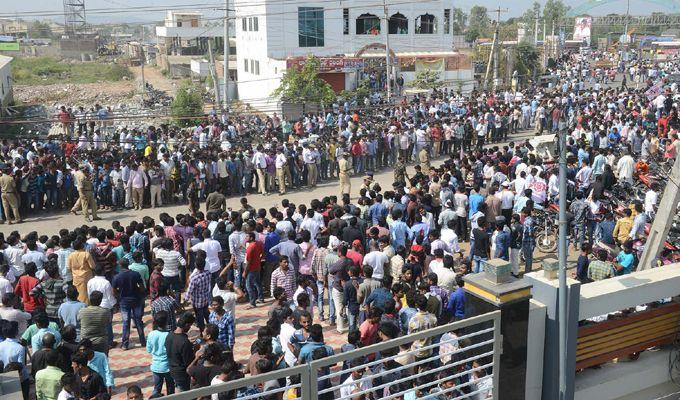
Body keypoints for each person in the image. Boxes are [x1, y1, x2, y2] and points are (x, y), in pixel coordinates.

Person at [112, 258, 146, 350]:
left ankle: (125, 344)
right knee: (138, 321)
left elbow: (114, 292)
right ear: (128, 264)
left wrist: (119, 297)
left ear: (120, 265)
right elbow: (142, 288)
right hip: (136, 300)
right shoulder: (135, 274)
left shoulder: (117, 277)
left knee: (126, 323)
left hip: (124, 302)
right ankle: (143, 341)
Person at [147, 310, 175, 398]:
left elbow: (149, 350)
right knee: (170, 389)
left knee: (156, 389)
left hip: (156, 367)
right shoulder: (169, 335)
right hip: (168, 367)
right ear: (166, 322)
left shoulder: (151, 334)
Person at [165, 312, 196, 392]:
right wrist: (196, 352)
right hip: (182, 374)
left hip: (171, 370)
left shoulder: (169, 335)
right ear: (186, 325)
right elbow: (188, 362)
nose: (189, 328)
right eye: (189, 326)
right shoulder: (184, 342)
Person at [185, 256, 211, 333]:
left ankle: (202, 332)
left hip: (197, 302)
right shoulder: (208, 273)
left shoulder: (194, 278)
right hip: (205, 299)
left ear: (196, 266)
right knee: (207, 315)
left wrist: (185, 300)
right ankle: (211, 330)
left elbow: (189, 291)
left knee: (200, 319)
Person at [67, 239, 95, 304]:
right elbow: (92, 266)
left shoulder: (71, 255)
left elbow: (69, 267)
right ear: (82, 246)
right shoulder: (86, 254)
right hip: (86, 277)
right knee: (86, 294)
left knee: (78, 293)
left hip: (76, 277)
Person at [244, 231, 264, 308]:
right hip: (257, 267)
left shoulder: (250, 247)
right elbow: (262, 253)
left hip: (251, 269)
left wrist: (245, 272)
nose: (246, 238)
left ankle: (252, 302)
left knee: (249, 286)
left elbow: (248, 262)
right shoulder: (258, 244)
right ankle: (261, 298)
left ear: (251, 238)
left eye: (247, 237)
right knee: (258, 283)